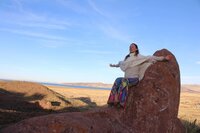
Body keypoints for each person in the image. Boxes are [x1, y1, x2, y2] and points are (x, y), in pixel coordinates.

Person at [107, 43, 172, 108]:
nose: (131, 48)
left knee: (124, 81)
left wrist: (163, 58)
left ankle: (121, 102)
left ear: (136, 49)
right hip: (127, 78)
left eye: (132, 47)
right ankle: (112, 100)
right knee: (117, 80)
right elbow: (120, 64)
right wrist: (113, 65)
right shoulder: (127, 58)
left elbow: (150, 57)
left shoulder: (139, 57)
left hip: (134, 79)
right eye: (130, 47)